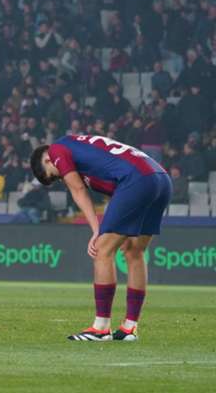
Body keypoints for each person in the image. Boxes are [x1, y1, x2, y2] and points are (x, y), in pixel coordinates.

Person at [31, 134, 171, 341]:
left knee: (102, 250)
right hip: (160, 178)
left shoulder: (56, 150)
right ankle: (129, 328)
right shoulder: (80, 148)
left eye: (53, 175)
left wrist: (97, 230)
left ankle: (101, 327)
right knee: (134, 252)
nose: (60, 178)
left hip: (137, 179)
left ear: (46, 160)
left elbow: (78, 190)